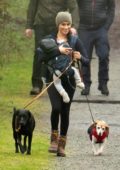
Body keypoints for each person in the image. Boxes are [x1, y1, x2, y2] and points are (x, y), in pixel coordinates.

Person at [39, 11, 89, 157]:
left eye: (68, 24)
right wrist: (57, 50)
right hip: (52, 78)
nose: (66, 27)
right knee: (56, 107)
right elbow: (40, 57)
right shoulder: (49, 39)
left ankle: (62, 144)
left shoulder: (74, 41)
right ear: (58, 25)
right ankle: (53, 139)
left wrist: (79, 57)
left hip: (69, 79)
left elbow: (86, 61)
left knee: (65, 111)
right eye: (63, 24)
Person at [25, 0, 79, 95]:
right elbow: (32, 6)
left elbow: (73, 7)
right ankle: (37, 85)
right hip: (41, 24)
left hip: (58, 26)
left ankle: (57, 83)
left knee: (59, 54)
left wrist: (73, 25)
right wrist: (29, 26)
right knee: (39, 53)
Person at [76, 0, 115, 95]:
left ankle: (103, 84)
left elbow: (111, 9)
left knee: (104, 55)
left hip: (101, 28)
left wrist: (106, 26)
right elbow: (73, 5)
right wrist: (76, 25)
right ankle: (86, 84)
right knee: (85, 57)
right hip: (84, 28)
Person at [39, 39, 85, 103]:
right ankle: (79, 82)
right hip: (66, 70)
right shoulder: (63, 51)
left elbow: (42, 62)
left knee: (57, 84)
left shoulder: (49, 53)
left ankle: (64, 94)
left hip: (57, 72)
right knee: (74, 70)